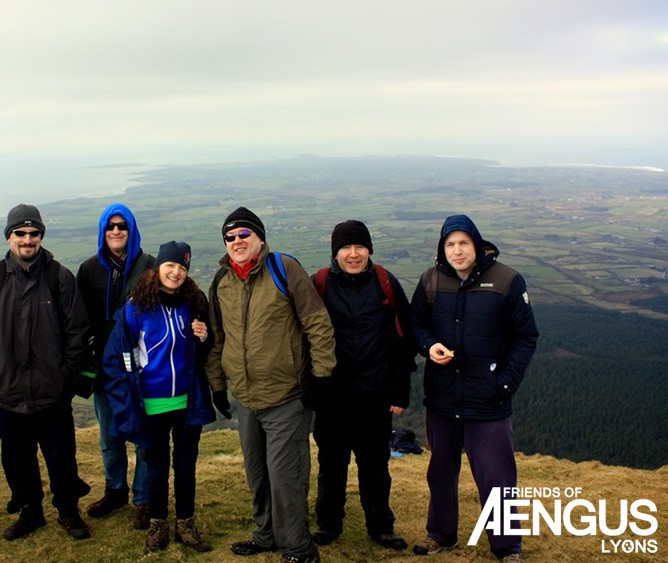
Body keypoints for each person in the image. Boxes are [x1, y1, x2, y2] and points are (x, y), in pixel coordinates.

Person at [206, 206, 336, 563]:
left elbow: (317, 323)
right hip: (246, 397)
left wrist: (322, 377)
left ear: (259, 238)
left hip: (286, 397)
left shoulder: (283, 268)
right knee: (258, 474)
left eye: (243, 234)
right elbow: (218, 338)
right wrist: (218, 384)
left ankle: (298, 547)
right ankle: (265, 536)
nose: (236, 242)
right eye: (230, 237)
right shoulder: (222, 281)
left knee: (286, 478)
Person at [409, 214, 538, 563]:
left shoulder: (507, 281)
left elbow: (525, 337)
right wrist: (429, 344)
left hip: (488, 401)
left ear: (477, 245)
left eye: (463, 243)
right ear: (442, 248)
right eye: (450, 244)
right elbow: (415, 324)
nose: (457, 250)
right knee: (440, 472)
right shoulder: (431, 280)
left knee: (496, 477)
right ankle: (440, 535)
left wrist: (505, 382)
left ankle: (507, 547)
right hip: (442, 398)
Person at [0, 204, 91, 541]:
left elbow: (77, 333)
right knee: (17, 460)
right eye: (20, 233)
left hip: (52, 393)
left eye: (33, 233)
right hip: (7, 394)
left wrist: (64, 378)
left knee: (61, 458)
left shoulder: (59, 278)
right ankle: (30, 513)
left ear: (41, 237)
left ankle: (68, 511)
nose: (27, 239)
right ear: (9, 237)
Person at [101, 241, 217, 553]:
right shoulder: (135, 309)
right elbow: (115, 360)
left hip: (187, 403)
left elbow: (205, 351)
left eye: (182, 267)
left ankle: (186, 524)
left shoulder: (193, 303)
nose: (176, 272)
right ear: (158, 268)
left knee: (186, 465)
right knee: (155, 468)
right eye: (170, 265)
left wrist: (205, 337)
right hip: (150, 404)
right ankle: (157, 525)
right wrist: (126, 401)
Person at [310, 220, 416, 550]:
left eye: (360, 247)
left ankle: (381, 527)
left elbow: (405, 338)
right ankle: (328, 525)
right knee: (331, 465)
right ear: (335, 252)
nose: (353, 254)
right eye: (346, 248)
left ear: (369, 250)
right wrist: (313, 387)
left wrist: (401, 390)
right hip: (332, 396)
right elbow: (304, 336)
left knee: (375, 467)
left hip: (375, 394)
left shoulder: (385, 283)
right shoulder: (321, 284)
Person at [77, 203, 154, 529]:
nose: (116, 231)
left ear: (132, 229)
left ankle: (144, 499)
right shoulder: (89, 270)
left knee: (145, 437)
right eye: (110, 226)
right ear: (102, 231)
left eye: (122, 226)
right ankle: (115, 491)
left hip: (143, 370)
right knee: (110, 436)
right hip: (106, 369)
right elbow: (79, 322)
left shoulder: (150, 267)